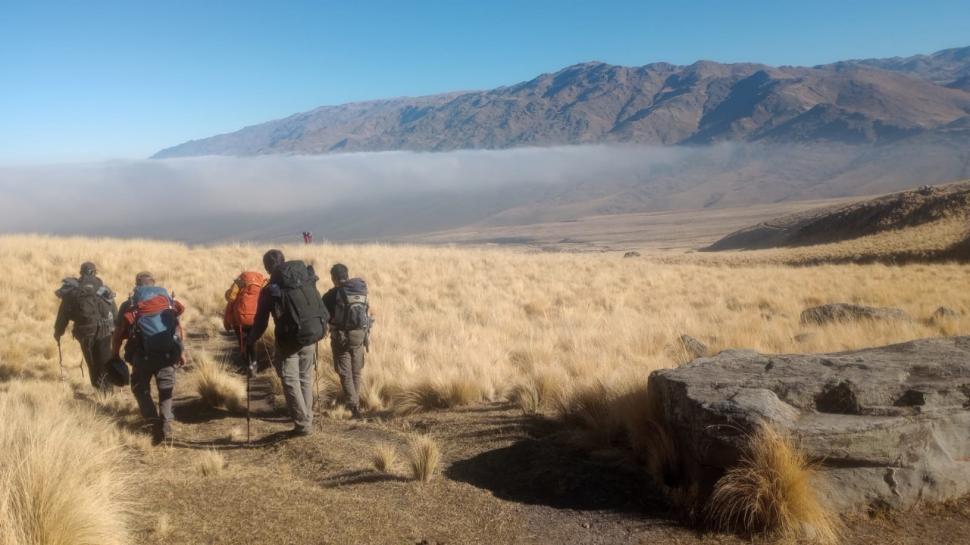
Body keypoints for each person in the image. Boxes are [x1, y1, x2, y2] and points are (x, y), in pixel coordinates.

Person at [247, 250, 328, 436]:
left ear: (267, 267)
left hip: (288, 340)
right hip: (311, 334)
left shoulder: (271, 288)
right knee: (305, 378)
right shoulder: (304, 279)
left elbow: (260, 322)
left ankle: (302, 424)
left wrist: (250, 340)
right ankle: (307, 418)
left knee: (290, 380)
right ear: (283, 260)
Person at [113, 272, 185, 445]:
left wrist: (114, 354)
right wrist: (181, 352)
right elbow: (177, 328)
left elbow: (118, 334)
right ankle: (166, 422)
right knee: (165, 387)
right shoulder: (168, 301)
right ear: (154, 284)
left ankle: (153, 422)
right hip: (167, 354)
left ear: (137, 285)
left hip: (142, 356)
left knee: (140, 388)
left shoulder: (129, 305)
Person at [53, 262, 118, 390]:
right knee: (104, 361)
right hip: (104, 331)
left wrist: (58, 332)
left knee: (92, 362)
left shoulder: (73, 290)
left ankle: (98, 388)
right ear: (95, 272)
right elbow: (114, 312)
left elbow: (63, 314)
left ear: (81, 273)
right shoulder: (102, 289)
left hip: (84, 332)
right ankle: (108, 392)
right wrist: (116, 330)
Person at [322, 263, 371, 419]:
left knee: (345, 373)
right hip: (359, 335)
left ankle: (354, 406)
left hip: (341, 336)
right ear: (347, 275)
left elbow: (325, 315)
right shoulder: (359, 290)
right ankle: (355, 403)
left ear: (333, 278)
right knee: (356, 371)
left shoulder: (331, 295)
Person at [223, 271, 267, 370]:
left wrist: (227, 324)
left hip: (239, 320)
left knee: (242, 341)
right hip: (256, 318)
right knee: (253, 341)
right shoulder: (262, 282)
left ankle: (247, 364)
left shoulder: (238, 284)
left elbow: (230, 300)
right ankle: (254, 363)